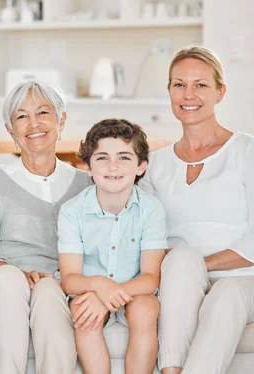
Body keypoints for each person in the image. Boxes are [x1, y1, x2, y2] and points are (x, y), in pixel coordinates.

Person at [139, 45, 254, 374]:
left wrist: (198, 271)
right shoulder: (155, 165)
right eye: (179, 84)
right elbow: (147, 235)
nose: (189, 94)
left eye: (201, 85)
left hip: (243, 280)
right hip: (178, 280)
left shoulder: (247, 151)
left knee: (224, 291)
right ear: (169, 91)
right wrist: (184, 272)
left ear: (221, 92)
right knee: (181, 256)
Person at [0, 80, 90, 374]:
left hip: (59, 285)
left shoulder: (86, 185)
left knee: (49, 290)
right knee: (10, 281)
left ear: (61, 120)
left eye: (43, 112)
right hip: (2, 283)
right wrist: (20, 275)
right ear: (11, 131)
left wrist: (58, 279)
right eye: (22, 116)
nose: (33, 124)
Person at [58, 119, 167, 374]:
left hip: (135, 290)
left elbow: (151, 278)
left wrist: (110, 296)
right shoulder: (72, 211)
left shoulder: (151, 209)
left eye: (124, 158)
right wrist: (99, 287)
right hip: (89, 290)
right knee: (84, 313)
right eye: (102, 158)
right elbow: (70, 279)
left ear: (141, 166)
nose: (113, 166)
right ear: (88, 166)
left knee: (145, 309)